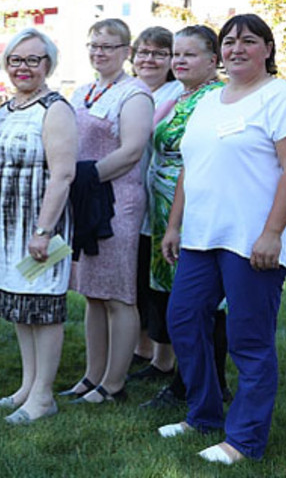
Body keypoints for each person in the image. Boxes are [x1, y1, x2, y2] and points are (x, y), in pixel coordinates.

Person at [159, 14, 286, 464]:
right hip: (201, 237)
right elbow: (192, 163)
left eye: (248, 41)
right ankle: (204, 414)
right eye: (229, 42)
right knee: (184, 320)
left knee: (250, 340)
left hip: (252, 241)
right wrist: (174, 225)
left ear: (267, 48)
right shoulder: (211, 101)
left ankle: (244, 440)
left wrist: (272, 234)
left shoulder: (284, 98)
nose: (236, 49)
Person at [0, 28, 76, 423]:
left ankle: (43, 397)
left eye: (33, 60)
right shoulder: (6, 108)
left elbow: (63, 175)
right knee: (21, 307)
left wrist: (43, 231)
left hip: (41, 227)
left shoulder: (55, 109)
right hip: (5, 225)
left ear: (48, 65)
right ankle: (27, 385)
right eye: (16, 60)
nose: (23, 68)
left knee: (44, 307)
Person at [59, 18, 152, 405]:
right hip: (85, 200)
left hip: (118, 201)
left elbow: (131, 151)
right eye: (94, 45)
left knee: (118, 294)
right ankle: (91, 376)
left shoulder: (135, 94)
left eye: (109, 46)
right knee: (93, 294)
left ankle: (114, 383)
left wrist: (85, 177)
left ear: (126, 52)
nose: (100, 52)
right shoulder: (83, 91)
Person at [141, 25, 230, 410]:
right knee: (176, 299)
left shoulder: (215, 98)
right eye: (176, 54)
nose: (178, 61)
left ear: (213, 61)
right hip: (162, 209)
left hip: (194, 206)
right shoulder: (180, 94)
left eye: (189, 55)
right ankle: (182, 372)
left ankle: (203, 382)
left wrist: (176, 220)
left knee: (202, 301)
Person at [128, 26, 181, 379]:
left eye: (159, 53)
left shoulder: (178, 93)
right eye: (143, 52)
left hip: (164, 203)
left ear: (171, 61)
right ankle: (140, 346)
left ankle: (166, 357)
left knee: (162, 280)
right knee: (135, 279)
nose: (150, 59)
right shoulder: (124, 90)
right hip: (131, 202)